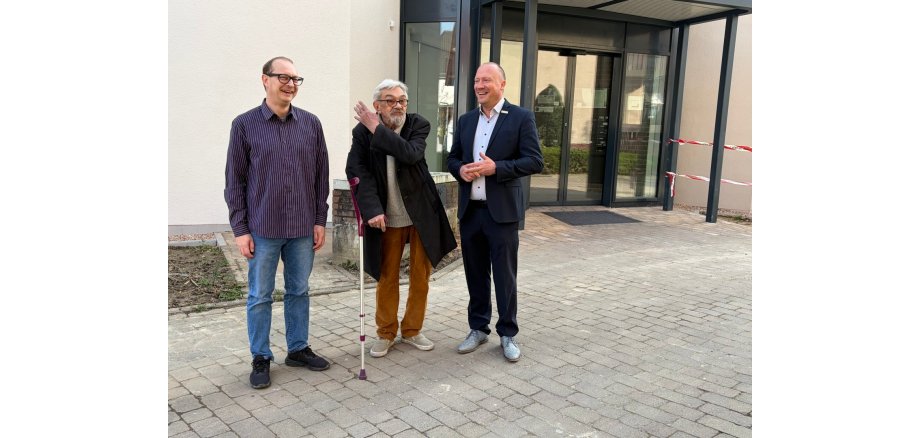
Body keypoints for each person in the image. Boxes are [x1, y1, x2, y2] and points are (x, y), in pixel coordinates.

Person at [224, 56, 331, 389]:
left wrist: (319, 219)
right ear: (265, 80)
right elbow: (235, 181)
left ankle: (297, 349)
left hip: (302, 227)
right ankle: (261, 356)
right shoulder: (244, 125)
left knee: (299, 290)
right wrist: (241, 229)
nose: (290, 84)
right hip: (263, 228)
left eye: (295, 79)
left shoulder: (311, 124)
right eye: (283, 77)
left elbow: (321, 176)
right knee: (260, 295)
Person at [345, 79, 457, 358]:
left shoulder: (418, 124)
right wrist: (372, 209)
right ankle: (386, 332)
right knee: (387, 277)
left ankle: (412, 330)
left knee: (420, 276)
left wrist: (377, 128)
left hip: (420, 214)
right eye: (390, 100)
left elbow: (410, 154)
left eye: (402, 100)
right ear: (377, 105)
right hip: (387, 216)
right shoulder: (362, 132)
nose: (398, 105)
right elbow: (357, 170)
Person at [446, 62, 543, 362]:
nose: (479, 85)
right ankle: (478, 328)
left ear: (502, 84)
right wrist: (461, 170)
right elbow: (452, 158)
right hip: (471, 212)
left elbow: (534, 161)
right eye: (477, 80)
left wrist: (496, 168)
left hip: (502, 213)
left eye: (486, 80)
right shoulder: (465, 120)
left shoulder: (521, 117)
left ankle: (508, 333)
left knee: (504, 277)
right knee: (475, 275)